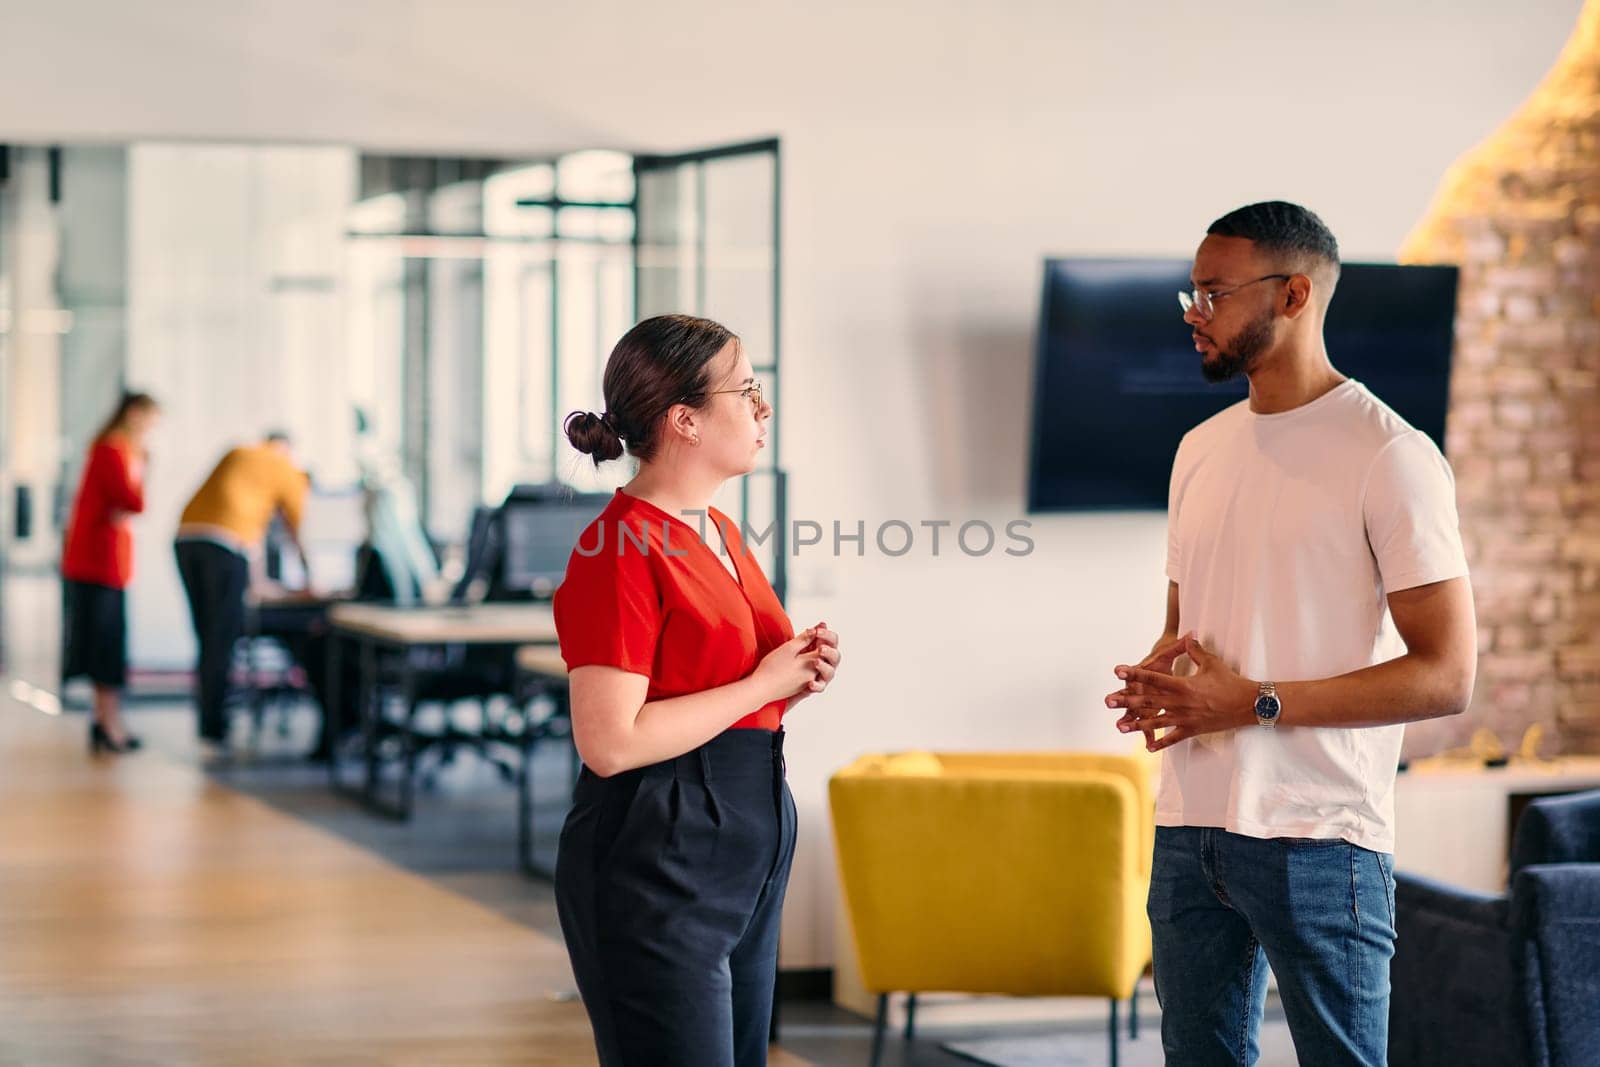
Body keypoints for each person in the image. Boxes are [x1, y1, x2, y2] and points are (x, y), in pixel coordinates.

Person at [1104, 201, 1478, 1065]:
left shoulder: (1391, 454)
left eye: (1215, 293)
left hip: (1322, 837)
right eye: (1190, 293)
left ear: (1295, 295)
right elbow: (1184, 622)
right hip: (1190, 824)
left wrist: (1254, 702)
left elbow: (1446, 675)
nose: (1195, 313)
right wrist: (1165, 674)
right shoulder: (1199, 448)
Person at [552, 314, 841, 1066]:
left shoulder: (717, 527)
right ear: (684, 419)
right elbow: (610, 742)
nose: (762, 408)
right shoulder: (615, 549)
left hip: (747, 840)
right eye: (746, 390)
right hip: (660, 849)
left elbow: (720, 688)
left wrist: (791, 680)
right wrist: (759, 685)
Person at [174, 432, 312, 747]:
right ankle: (213, 725)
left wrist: (257, 579)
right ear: (289, 450)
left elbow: (250, 524)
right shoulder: (285, 467)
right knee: (222, 636)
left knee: (208, 636)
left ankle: (208, 716)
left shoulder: (237, 452)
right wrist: (308, 576)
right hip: (224, 546)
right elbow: (296, 528)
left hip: (186, 539)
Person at [62, 392, 161, 754]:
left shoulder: (111, 450)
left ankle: (104, 720)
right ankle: (109, 723)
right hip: (98, 563)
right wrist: (146, 469)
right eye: (150, 420)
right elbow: (133, 501)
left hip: (104, 562)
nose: (152, 430)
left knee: (105, 642)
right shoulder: (113, 451)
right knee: (106, 644)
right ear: (134, 414)